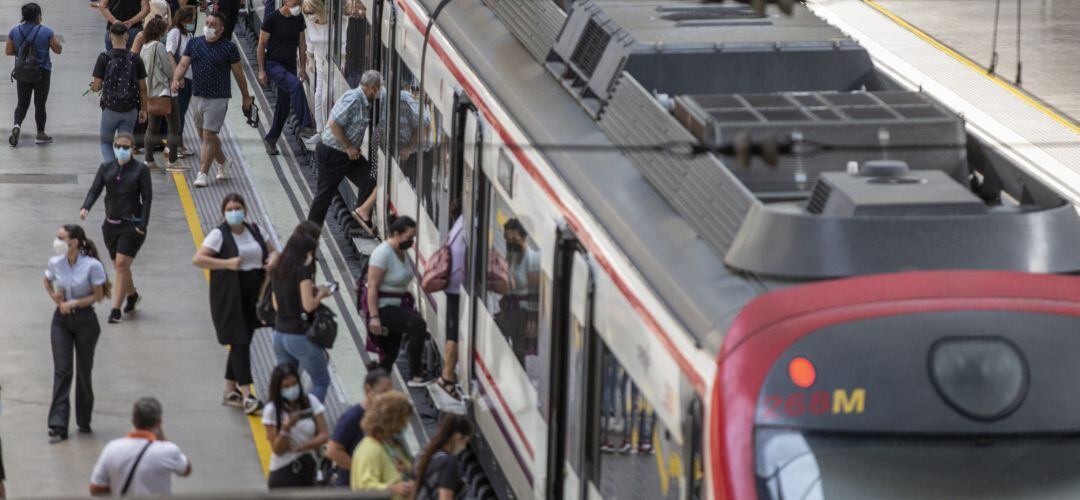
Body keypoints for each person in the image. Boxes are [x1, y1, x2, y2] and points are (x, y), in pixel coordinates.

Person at [193, 193, 278, 415]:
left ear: (245, 210)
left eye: (237, 208)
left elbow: (273, 251)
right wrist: (226, 263)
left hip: (254, 291)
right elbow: (199, 259)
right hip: (230, 294)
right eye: (229, 209)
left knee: (244, 338)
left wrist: (272, 260)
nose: (234, 212)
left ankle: (230, 390)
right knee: (240, 341)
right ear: (223, 213)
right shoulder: (218, 235)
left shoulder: (256, 230)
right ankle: (248, 396)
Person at [43, 225, 111, 443]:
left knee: (83, 371)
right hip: (61, 322)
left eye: (61, 238)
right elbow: (47, 279)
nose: (57, 241)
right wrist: (54, 296)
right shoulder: (56, 263)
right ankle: (58, 424)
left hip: (85, 322)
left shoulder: (92, 266)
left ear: (75, 242)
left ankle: (84, 419)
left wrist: (74, 302)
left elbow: (98, 296)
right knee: (62, 371)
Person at [171, 11, 254, 188]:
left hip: (218, 98)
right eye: (207, 23)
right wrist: (176, 79)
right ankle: (223, 162)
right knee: (203, 135)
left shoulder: (229, 48)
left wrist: (246, 96)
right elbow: (184, 64)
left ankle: (202, 173)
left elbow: (238, 73)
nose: (208, 27)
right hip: (197, 95)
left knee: (209, 135)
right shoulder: (194, 43)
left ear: (221, 29)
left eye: (213, 25)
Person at [80, 132, 152, 325]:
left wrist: (143, 223)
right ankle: (132, 295)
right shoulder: (106, 168)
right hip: (111, 226)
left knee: (120, 264)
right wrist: (86, 206)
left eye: (126, 147)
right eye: (118, 146)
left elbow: (147, 199)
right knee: (121, 266)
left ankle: (115, 310)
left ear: (132, 149)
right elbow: (95, 189)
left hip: (133, 224)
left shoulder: (140, 170)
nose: (122, 150)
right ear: (113, 147)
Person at [307, 69, 382, 230]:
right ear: (372, 88)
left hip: (347, 156)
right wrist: (349, 147)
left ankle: (359, 221)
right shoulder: (354, 99)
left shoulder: (365, 101)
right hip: (333, 153)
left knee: (370, 178)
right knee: (323, 198)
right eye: (378, 89)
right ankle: (308, 240)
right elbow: (334, 124)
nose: (378, 93)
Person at [271, 223, 333, 401]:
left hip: (279, 334)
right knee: (321, 381)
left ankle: (284, 419)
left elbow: (277, 305)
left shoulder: (279, 267)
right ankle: (310, 419)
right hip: (299, 336)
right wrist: (321, 293)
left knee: (286, 382)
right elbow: (309, 306)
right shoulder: (302, 270)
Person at [366, 216, 428, 383]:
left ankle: (376, 384)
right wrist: (374, 317)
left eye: (413, 238)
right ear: (396, 234)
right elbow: (371, 287)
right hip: (383, 308)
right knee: (418, 325)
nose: (411, 242)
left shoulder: (401, 252)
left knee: (389, 355)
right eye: (409, 238)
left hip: (398, 307)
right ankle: (415, 374)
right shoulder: (382, 254)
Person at [89, 397, 192, 496]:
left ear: (134, 421)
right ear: (159, 423)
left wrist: (119, 489)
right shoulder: (168, 450)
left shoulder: (112, 448)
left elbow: (95, 488)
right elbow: (186, 469)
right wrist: (163, 439)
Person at [258, 0, 315, 155]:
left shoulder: (298, 19)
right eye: (294, 2)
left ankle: (271, 139)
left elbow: (301, 43)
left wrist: (302, 67)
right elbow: (262, 44)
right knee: (296, 85)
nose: (296, 5)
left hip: (290, 65)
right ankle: (306, 125)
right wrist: (262, 70)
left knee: (283, 105)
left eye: (298, 2)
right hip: (274, 64)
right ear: (284, 2)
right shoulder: (272, 19)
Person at [262, 363, 329, 488]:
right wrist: (285, 429)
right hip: (283, 471)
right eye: (286, 386)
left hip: (310, 467)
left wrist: (303, 446)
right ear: (278, 389)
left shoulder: (311, 401)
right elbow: (277, 449)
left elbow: (324, 434)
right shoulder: (271, 410)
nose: (291, 389)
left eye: (294, 384)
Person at [326, 364, 392, 487]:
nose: (387, 397)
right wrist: (360, 469)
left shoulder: (383, 416)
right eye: (383, 392)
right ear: (368, 390)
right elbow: (332, 451)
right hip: (352, 486)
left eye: (390, 392)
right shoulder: (352, 417)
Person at [6, 2, 61, 147]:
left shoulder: (14, 31)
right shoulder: (47, 31)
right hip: (42, 73)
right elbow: (58, 49)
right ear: (38, 16)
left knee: (22, 104)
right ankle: (40, 134)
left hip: (22, 72)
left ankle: (17, 125)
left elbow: (8, 51)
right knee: (40, 104)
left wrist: (22, 53)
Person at [92, 24, 149, 163]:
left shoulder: (104, 57)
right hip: (130, 109)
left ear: (110, 36)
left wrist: (93, 87)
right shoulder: (135, 59)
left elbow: (97, 86)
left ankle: (112, 170)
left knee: (106, 143)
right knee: (124, 145)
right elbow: (143, 87)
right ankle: (123, 172)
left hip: (110, 108)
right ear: (127, 37)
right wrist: (143, 109)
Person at [350, 391, 414, 498]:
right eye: (403, 419)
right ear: (392, 420)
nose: (405, 424)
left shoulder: (392, 444)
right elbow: (365, 488)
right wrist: (394, 488)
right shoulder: (370, 449)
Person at [495, 218, 539, 364]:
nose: (511, 243)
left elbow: (535, 293)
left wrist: (532, 323)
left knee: (519, 352)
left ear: (524, 237)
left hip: (522, 313)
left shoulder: (532, 259)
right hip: (510, 309)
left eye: (515, 239)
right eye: (508, 239)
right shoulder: (512, 256)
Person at [139, 18, 181, 170]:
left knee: (152, 128)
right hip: (163, 92)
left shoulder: (144, 47)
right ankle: (172, 161)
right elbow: (168, 69)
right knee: (174, 127)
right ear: (159, 32)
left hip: (151, 93)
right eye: (164, 31)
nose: (165, 34)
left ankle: (149, 160)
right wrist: (176, 79)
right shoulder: (159, 46)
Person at [436, 204, 465, 400]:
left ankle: (447, 374)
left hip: (453, 282)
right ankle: (447, 376)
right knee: (454, 334)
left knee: (452, 330)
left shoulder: (461, 223)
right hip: (457, 285)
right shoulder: (471, 224)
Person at [414, 414, 472, 500]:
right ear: (457, 437)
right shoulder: (448, 464)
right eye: (465, 442)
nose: (463, 447)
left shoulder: (428, 454)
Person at [165, 6, 197, 159]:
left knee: (182, 112)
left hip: (189, 78)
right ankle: (173, 145)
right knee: (178, 113)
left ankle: (178, 143)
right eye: (191, 19)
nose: (193, 22)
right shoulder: (175, 32)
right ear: (184, 19)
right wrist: (178, 75)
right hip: (180, 80)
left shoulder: (188, 34)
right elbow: (170, 53)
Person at [301, 0, 328, 134]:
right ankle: (319, 130)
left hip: (331, 67)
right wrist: (309, 58)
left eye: (311, 13)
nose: (309, 16)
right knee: (318, 97)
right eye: (307, 14)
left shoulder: (331, 23)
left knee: (325, 99)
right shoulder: (310, 21)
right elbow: (310, 41)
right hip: (319, 65)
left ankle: (328, 130)